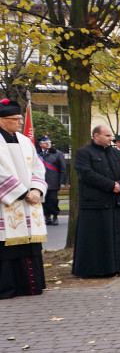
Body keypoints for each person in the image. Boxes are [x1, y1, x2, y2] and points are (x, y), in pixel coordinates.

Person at [0, 99, 47, 299]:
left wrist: (36, 190)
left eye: (21, 118)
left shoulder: (25, 141)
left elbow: (38, 167)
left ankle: (31, 286)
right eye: (16, 119)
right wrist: (21, 192)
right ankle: (8, 288)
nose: (21, 122)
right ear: (2, 121)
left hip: (30, 202)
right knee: (7, 248)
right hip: (7, 202)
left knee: (29, 245)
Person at [72, 124, 120, 278]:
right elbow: (86, 174)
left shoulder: (115, 153)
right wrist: (111, 185)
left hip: (115, 202)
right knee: (96, 239)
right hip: (95, 203)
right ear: (96, 136)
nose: (110, 139)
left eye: (110, 136)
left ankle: (117, 266)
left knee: (116, 236)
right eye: (107, 136)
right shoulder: (83, 153)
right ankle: (95, 269)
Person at [37, 135, 65, 226]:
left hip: (53, 181)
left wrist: (62, 181)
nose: (48, 144)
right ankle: (47, 217)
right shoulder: (36, 154)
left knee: (53, 200)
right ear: (40, 144)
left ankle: (55, 216)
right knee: (43, 200)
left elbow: (63, 168)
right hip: (41, 181)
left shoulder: (57, 153)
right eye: (45, 142)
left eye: (49, 142)